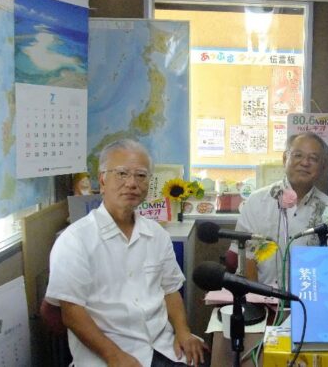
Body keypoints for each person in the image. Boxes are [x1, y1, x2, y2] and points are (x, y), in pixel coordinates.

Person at [46, 139, 207, 367]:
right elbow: (71, 313)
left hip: (162, 347)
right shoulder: (75, 240)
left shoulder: (157, 235)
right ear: (102, 180)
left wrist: (183, 331)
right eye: (121, 173)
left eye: (141, 176)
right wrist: (114, 356)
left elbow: (170, 290)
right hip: (106, 355)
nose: (132, 183)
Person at [231, 132, 328, 287]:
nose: (305, 163)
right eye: (298, 155)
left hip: (310, 302)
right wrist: (258, 303)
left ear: (323, 167)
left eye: (313, 158)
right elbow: (246, 257)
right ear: (285, 159)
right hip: (262, 299)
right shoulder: (257, 201)